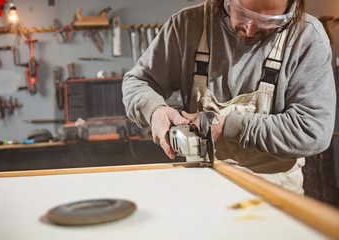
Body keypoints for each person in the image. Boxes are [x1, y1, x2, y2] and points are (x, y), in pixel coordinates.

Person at [122, 0, 336, 194]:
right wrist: (154, 111)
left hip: (274, 195)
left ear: (291, 9)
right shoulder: (188, 25)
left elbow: (312, 130)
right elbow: (138, 82)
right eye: (241, 13)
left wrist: (228, 127)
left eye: (268, 21)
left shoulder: (306, 38)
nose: (250, 29)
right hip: (198, 190)